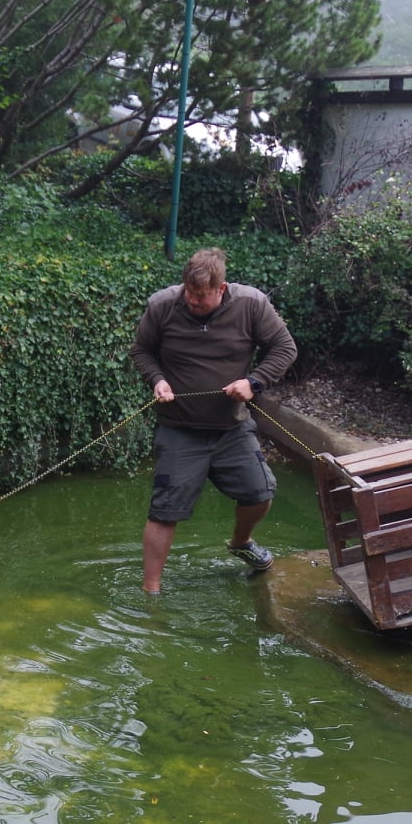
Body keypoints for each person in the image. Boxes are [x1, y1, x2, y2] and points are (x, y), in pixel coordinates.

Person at [130, 247, 298, 594]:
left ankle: (240, 542)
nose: (193, 301)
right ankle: (151, 591)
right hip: (179, 429)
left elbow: (284, 347)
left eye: (201, 296)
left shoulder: (251, 304)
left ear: (221, 289)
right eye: (189, 293)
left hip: (232, 429)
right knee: (164, 511)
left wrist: (253, 383)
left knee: (260, 492)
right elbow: (141, 351)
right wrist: (157, 380)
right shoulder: (163, 305)